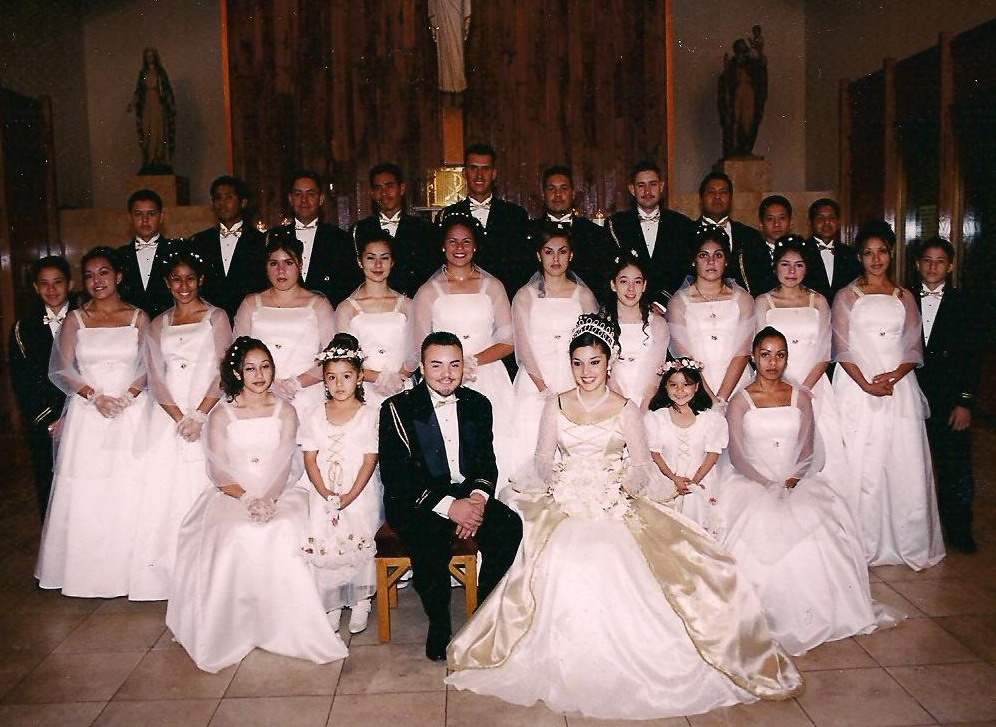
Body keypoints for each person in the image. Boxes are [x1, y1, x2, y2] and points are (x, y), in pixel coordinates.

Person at [446, 314, 802, 719]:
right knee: (557, 555)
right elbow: (543, 460)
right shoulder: (556, 404)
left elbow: (640, 466)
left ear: (609, 363)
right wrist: (564, 482)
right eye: (578, 363)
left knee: (618, 556)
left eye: (594, 363)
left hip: (614, 498)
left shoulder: (626, 408)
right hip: (566, 498)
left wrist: (614, 486)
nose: (586, 372)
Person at [166, 337, 347, 672]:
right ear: (237, 373)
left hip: (280, 491)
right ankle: (234, 628)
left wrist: (269, 499)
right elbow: (218, 470)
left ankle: (286, 628)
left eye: (265, 367)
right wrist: (248, 498)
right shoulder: (221, 414)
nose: (260, 375)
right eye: (250, 368)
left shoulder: (285, 410)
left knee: (283, 528)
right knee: (234, 531)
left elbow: (286, 464)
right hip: (233, 493)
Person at [721, 327, 896, 655]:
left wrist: (793, 478)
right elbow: (738, 455)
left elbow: (808, 448)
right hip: (754, 481)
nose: (773, 362)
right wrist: (766, 483)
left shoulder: (800, 396)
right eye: (765, 355)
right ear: (754, 358)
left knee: (817, 531)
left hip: (795, 480)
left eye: (780, 355)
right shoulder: (740, 401)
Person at [379, 332, 523, 661]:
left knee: (509, 526)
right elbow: (398, 478)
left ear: (463, 366)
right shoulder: (397, 408)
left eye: (454, 365)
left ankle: (483, 615)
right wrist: (450, 507)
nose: (446, 374)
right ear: (422, 367)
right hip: (418, 499)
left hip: (466, 494)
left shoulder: (478, 404)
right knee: (429, 538)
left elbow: (486, 462)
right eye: (437, 365)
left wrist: (477, 501)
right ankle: (439, 622)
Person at [35, 246, 151, 597]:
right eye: (89, 276)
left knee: (130, 489)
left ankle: (130, 573)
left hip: (131, 410)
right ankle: (87, 574)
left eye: (103, 273)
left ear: (118, 276)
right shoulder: (76, 319)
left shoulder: (138, 317)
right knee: (89, 493)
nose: (96, 281)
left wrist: (128, 396)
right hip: (89, 413)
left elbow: (151, 366)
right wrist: (94, 396)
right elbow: (61, 368)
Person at [832, 221, 944, 570]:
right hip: (858, 384)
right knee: (861, 462)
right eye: (868, 253)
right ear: (860, 257)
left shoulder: (904, 296)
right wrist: (866, 383)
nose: (876, 259)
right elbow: (841, 347)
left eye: (881, 251)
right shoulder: (847, 296)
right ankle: (861, 543)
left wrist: (895, 375)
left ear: (891, 254)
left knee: (901, 461)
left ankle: (906, 540)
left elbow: (913, 347)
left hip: (898, 387)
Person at [131, 249, 231, 601]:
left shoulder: (217, 317)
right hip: (170, 417)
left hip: (209, 409)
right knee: (166, 492)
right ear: (167, 283)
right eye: (176, 279)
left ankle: (212, 574)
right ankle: (168, 574)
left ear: (201, 280)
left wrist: (200, 414)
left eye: (190, 278)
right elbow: (156, 378)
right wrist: (179, 418)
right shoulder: (158, 324)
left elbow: (224, 370)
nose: (183, 286)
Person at [755, 236, 855, 513]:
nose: (791, 271)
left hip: (813, 386)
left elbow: (825, 352)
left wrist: (802, 390)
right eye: (785, 264)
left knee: (825, 455)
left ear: (807, 268)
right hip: (774, 385)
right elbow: (761, 350)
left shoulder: (819, 301)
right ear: (775, 266)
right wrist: (782, 388)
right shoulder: (763, 302)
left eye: (798, 265)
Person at [412, 215, 515, 483]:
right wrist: (450, 367)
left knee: (496, 443)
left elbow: (509, 341)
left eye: (466, 241)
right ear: (443, 245)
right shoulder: (428, 292)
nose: (460, 248)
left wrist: (472, 361)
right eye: (453, 241)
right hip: (443, 377)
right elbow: (421, 344)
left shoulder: (493, 287)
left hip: (487, 374)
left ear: (475, 246)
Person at [300, 334, 382, 635]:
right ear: (324, 379)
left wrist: (350, 495)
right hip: (324, 492)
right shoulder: (315, 415)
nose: (338, 384)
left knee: (357, 538)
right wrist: (324, 492)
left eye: (346, 376)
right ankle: (333, 603)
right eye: (331, 377)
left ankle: (361, 600)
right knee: (329, 542)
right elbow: (310, 458)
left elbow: (370, 459)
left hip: (358, 492)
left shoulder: (369, 415)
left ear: (359, 377)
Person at [509, 223, 598, 471]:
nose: (556, 259)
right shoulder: (525, 296)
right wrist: (543, 388)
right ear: (539, 255)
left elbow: (592, 343)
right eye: (549, 252)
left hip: (574, 377)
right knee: (531, 441)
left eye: (562, 251)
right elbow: (524, 347)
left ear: (571, 255)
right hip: (536, 379)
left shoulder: (583, 296)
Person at [914, 238, 979, 553]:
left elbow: (973, 357)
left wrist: (965, 401)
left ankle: (959, 530)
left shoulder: (965, 303)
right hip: (912, 394)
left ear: (950, 266)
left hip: (949, 397)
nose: (933, 267)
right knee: (912, 463)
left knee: (954, 465)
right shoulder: (903, 298)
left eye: (940, 261)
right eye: (927, 260)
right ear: (917, 264)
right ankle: (916, 531)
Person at [233, 235, 336, 421]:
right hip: (259, 393)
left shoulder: (319, 304)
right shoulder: (251, 304)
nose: (281, 270)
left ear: (300, 265)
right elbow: (238, 353)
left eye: (288, 262)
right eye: (274, 263)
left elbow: (331, 356)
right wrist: (267, 384)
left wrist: (296, 383)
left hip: (306, 393)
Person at [9, 256, 76, 520]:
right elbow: (23, 380)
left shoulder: (88, 317)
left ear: (70, 284)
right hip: (46, 422)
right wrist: (49, 420)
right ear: (36, 288)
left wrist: (72, 416)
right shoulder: (23, 328)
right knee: (49, 488)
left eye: (58, 282)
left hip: (84, 416)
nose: (51, 289)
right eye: (44, 284)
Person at [667, 229, 754, 405]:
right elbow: (684, 356)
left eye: (718, 255)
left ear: (726, 260)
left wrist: (722, 397)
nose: (711, 261)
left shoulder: (743, 299)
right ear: (694, 260)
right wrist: (710, 399)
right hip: (696, 386)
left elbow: (743, 352)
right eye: (703, 255)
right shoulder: (678, 303)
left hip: (738, 383)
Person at [646, 359, 728, 537]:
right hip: (667, 480)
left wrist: (695, 481)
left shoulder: (710, 418)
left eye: (686, 385)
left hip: (700, 479)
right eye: (673, 385)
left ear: (697, 386)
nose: (680, 390)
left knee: (699, 527)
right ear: (665, 387)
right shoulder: (656, 418)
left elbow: (713, 453)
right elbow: (654, 453)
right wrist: (674, 479)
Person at [335, 234, 416, 410]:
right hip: (363, 388)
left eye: (384, 258)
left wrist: (399, 377)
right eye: (371, 258)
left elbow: (416, 350)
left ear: (392, 262)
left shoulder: (407, 305)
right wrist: (378, 378)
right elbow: (345, 358)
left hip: (401, 386)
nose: (378, 265)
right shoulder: (346, 308)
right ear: (360, 261)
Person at [440, 143, 531, 298]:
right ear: (464, 172)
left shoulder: (515, 215)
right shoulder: (449, 215)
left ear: (494, 173)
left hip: (506, 297)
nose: (479, 175)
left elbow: (523, 265)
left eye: (485, 169)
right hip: (461, 297)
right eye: (473, 168)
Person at [268, 170, 360, 307]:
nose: (304, 200)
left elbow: (349, 285)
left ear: (321, 199)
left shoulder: (339, 239)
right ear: (290, 199)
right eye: (298, 194)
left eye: (310, 194)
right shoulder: (274, 237)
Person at [608, 160, 695, 303]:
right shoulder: (616, 224)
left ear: (661, 186)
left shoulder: (681, 224)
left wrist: (663, 303)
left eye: (652, 184)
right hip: (630, 304)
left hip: (672, 304)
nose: (647, 191)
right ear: (632, 189)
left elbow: (684, 269)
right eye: (641, 185)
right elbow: (610, 270)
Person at [188, 175, 268, 320]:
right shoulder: (200, 241)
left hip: (250, 318)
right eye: (217, 198)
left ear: (243, 203)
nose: (222, 203)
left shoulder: (260, 241)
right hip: (210, 320)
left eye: (228, 197)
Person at [352, 163, 434, 297]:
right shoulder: (359, 230)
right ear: (372, 193)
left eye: (389, 186)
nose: (384, 193)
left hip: (413, 302)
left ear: (402, 189)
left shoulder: (423, 228)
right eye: (378, 188)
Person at [530, 165, 616, 292]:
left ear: (573, 193)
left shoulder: (594, 233)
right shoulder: (530, 232)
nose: (558, 194)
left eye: (564, 188)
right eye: (551, 189)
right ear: (543, 194)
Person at [603, 255, 669, 409]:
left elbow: (656, 375)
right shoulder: (603, 324)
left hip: (649, 404)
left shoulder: (658, 324)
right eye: (624, 281)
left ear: (644, 285)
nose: (631, 288)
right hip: (614, 402)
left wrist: (644, 410)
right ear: (613, 285)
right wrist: (625, 410)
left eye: (637, 282)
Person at [694, 172, 765, 296]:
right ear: (701, 198)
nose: (717, 197)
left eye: (723, 192)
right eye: (711, 192)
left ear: (731, 198)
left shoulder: (750, 236)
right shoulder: (686, 234)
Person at [117, 189, 180, 318]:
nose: (145, 220)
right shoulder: (118, 256)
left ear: (161, 217)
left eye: (151, 214)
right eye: (138, 214)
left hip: (170, 324)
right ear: (129, 218)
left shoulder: (178, 252)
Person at [802, 198, 862, 303]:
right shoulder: (800, 252)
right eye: (820, 218)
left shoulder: (850, 254)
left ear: (839, 222)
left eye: (832, 217)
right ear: (810, 222)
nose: (827, 222)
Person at [128, 47, 175, 174]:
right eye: (148, 56)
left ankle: (160, 159)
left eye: (152, 56)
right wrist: (132, 103)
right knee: (147, 131)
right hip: (147, 105)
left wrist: (170, 104)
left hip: (158, 104)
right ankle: (149, 160)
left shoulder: (160, 73)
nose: (150, 59)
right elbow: (139, 91)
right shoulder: (143, 74)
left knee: (159, 131)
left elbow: (167, 90)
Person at [733, 194, 790, 296]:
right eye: (770, 219)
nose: (777, 224)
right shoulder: (748, 255)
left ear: (790, 222)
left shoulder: (802, 253)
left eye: (782, 218)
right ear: (761, 224)